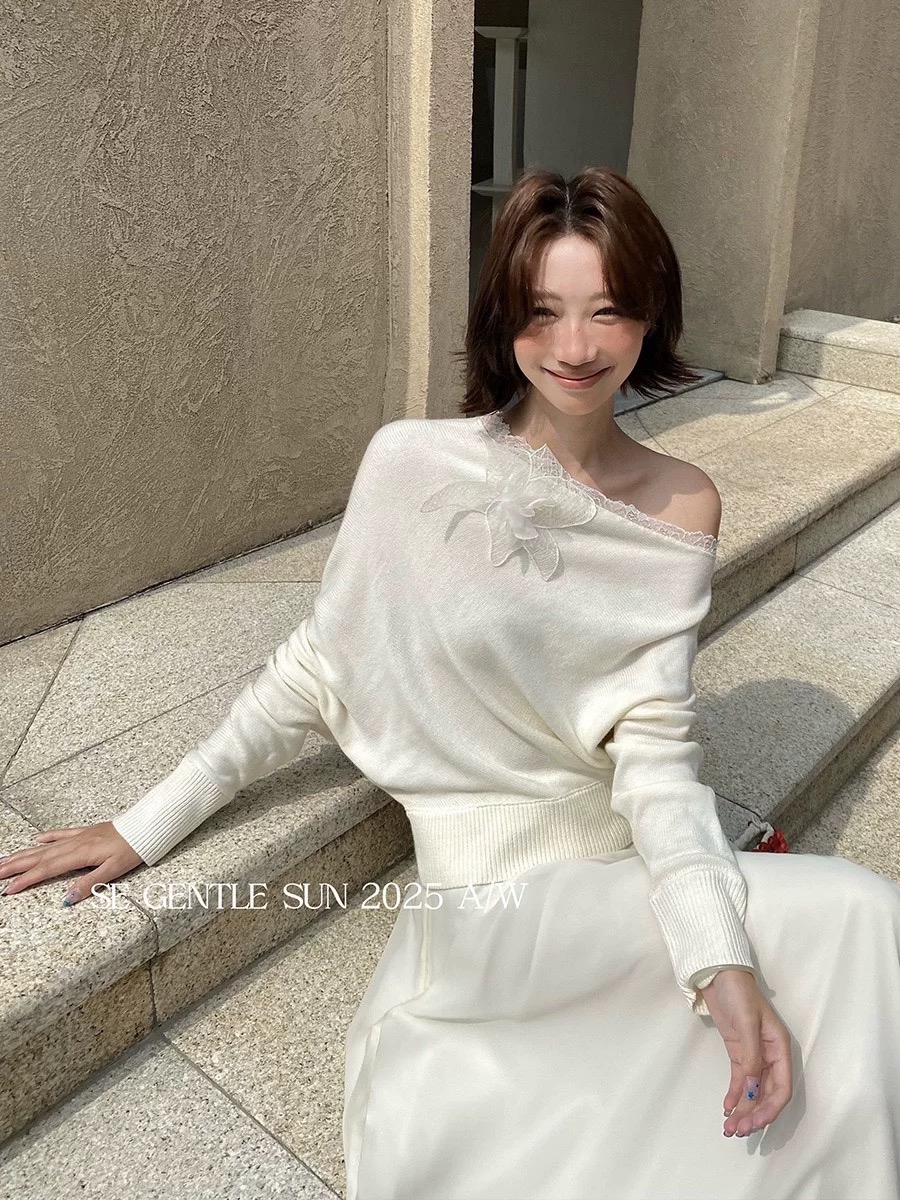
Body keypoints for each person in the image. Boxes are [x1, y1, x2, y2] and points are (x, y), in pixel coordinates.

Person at [3, 166, 900, 1200]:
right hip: (492, 905)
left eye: (609, 309)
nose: (576, 346)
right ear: (502, 319)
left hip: (616, 866)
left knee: (860, 919)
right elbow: (313, 673)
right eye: (543, 312)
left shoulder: (683, 503)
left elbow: (656, 756)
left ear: (651, 314)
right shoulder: (413, 464)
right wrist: (145, 824)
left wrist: (717, 959)